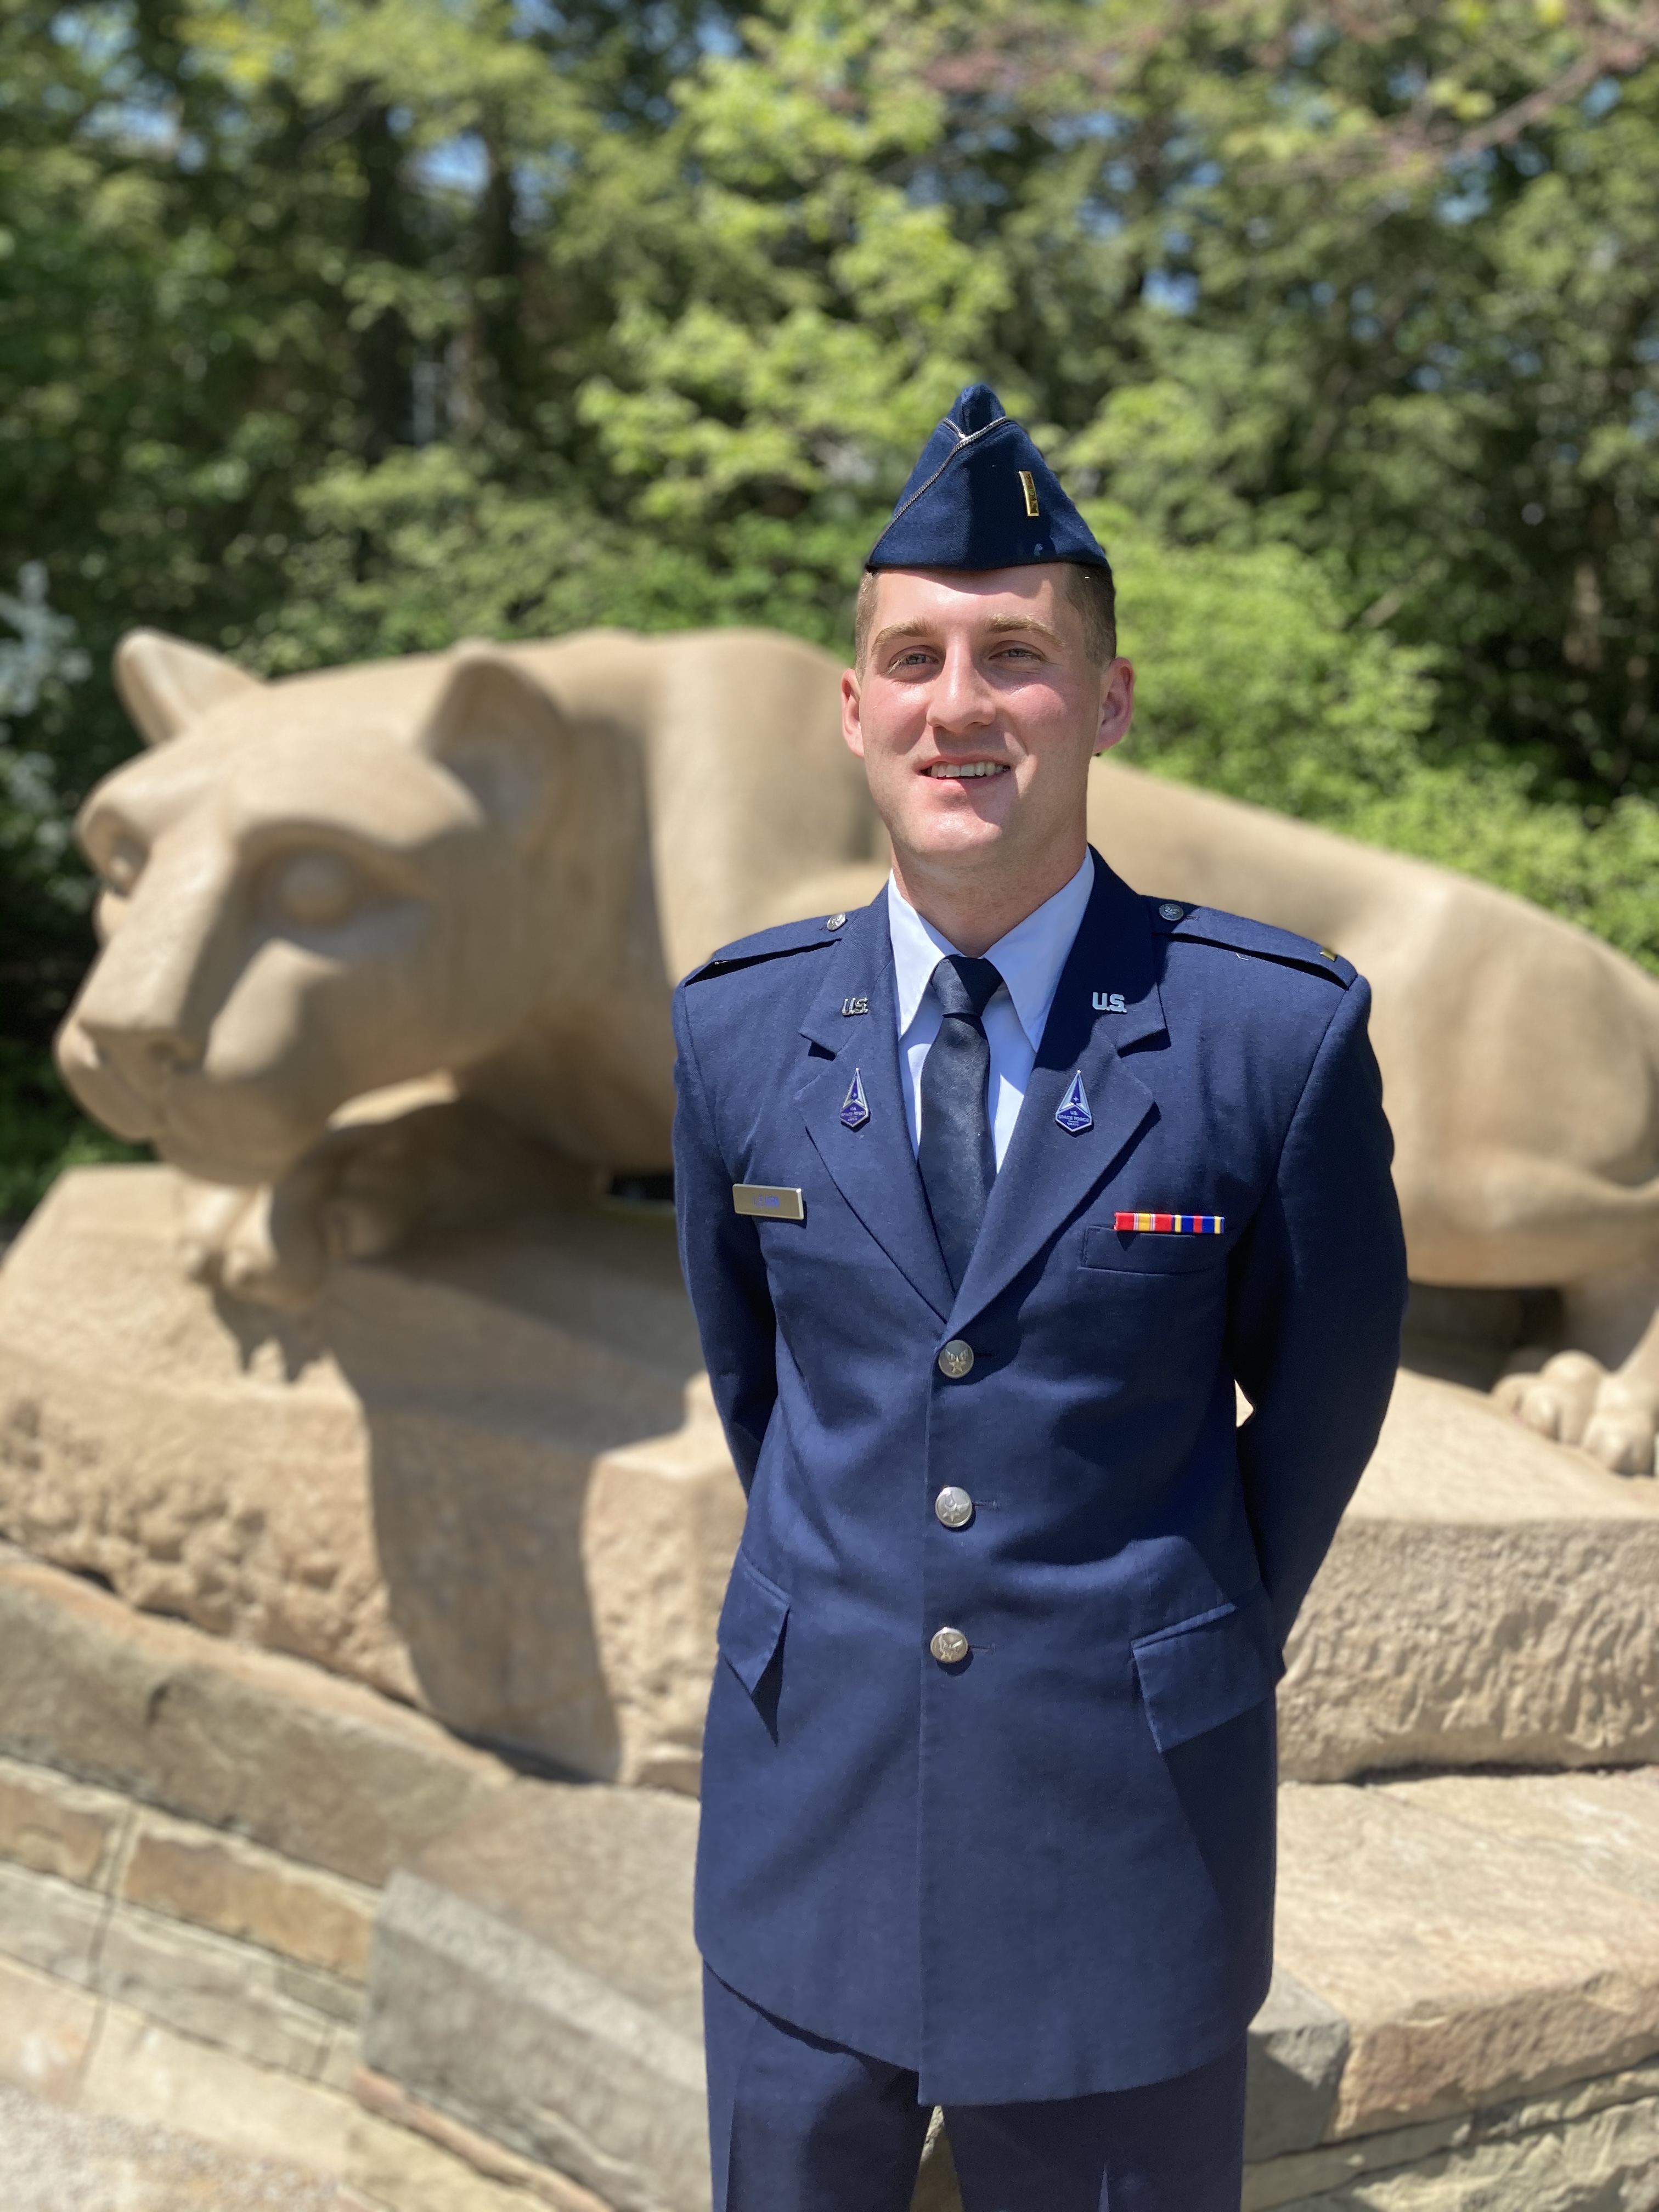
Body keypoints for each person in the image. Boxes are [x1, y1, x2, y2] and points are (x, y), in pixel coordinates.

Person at [670, 383, 1406, 2212]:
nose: (959, 705)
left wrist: (1163, 1639)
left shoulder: (1269, 1038)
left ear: (1107, 699)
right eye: (911, 658)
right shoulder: (737, 1029)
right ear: (853, 712)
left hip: (1120, 1841)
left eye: (1016, 654)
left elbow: (1316, 1410)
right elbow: (769, 1391)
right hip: (806, 1824)